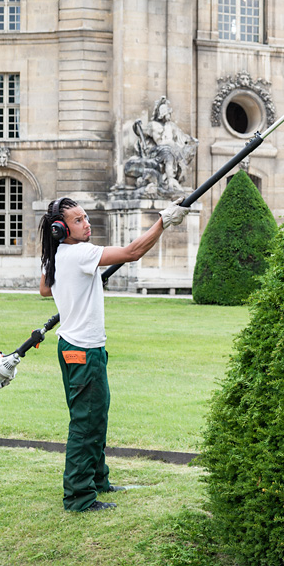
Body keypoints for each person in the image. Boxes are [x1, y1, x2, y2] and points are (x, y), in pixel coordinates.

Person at [39, 196, 189, 512]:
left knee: (95, 417)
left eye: (85, 217)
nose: (87, 223)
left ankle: (96, 480)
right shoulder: (80, 254)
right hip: (83, 351)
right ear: (59, 229)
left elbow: (44, 289)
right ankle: (79, 497)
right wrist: (163, 220)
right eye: (78, 220)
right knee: (86, 423)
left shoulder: (59, 256)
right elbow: (133, 253)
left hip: (74, 347)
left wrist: (85, 280)